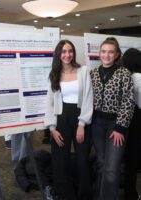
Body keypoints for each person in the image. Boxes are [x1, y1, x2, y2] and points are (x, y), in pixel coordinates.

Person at [45, 40, 93, 200]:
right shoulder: (54, 74)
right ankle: (65, 195)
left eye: (70, 51)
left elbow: (88, 98)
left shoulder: (83, 71)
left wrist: (82, 124)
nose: (67, 54)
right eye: (64, 51)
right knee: (60, 160)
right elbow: (49, 103)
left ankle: (84, 195)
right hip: (61, 117)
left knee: (82, 160)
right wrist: (52, 128)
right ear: (58, 54)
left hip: (81, 117)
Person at [90, 37, 135, 200]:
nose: (106, 55)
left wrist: (120, 127)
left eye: (110, 52)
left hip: (116, 125)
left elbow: (128, 101)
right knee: (101, 163)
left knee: (111, 167)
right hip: (96, 124)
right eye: (103, 52)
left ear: (116, 55)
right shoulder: (93, 73)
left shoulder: (124, 73)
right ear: (99, 53)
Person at [122, 48, 141, 200]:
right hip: (137, 120)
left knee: (129, 159)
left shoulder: (125, 76)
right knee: (134, 159)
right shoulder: (138, 78)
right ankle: (131, 193)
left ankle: (129, 192)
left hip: (126, 120)